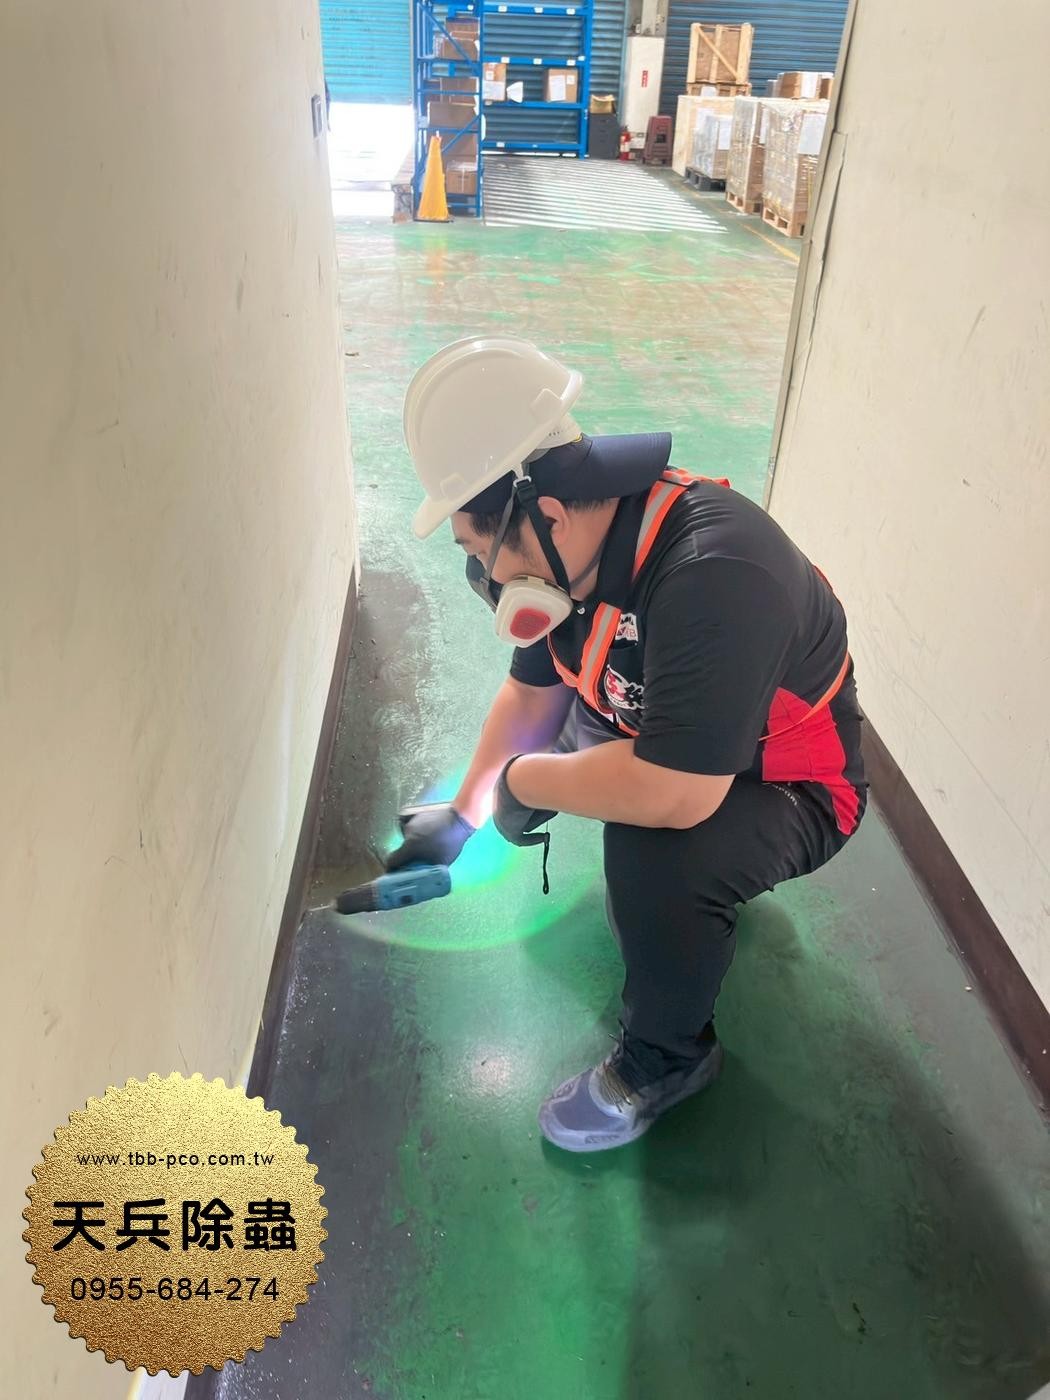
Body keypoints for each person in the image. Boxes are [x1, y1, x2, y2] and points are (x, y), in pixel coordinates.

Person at [387, 336, 867, 1153]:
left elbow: (675, 791)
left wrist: (527, 784)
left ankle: (669, 1059)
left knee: (655, 854)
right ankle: (693, 923)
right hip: (683, 735)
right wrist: (467, 812)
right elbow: (531, 693)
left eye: (478, 552)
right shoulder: (570, 558)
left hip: (793, 782)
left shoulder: (716, 573)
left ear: (544, 514)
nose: (485, 580)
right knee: (584, 736)